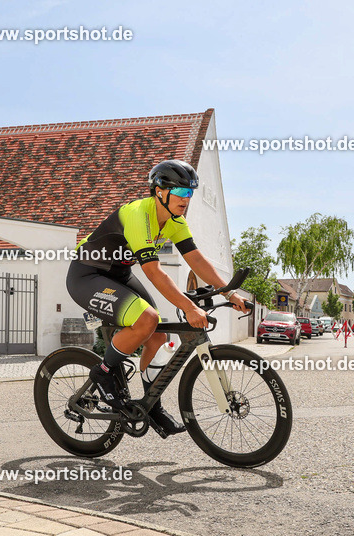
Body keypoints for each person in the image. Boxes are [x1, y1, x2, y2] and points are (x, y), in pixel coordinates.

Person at [67, 160, 249, 436]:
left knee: (158, 336)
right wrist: (188, 308)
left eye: (190, 193)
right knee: (147, 319)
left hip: (119, 275)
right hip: (87, 275)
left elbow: (197, 260)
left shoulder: (175, 221)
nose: (186, 199)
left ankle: (151, 405)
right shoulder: (138, 214)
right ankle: (103, 372)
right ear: (160, 191)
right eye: (181, 192)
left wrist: (229, 292)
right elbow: (153, 271)